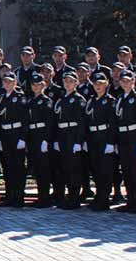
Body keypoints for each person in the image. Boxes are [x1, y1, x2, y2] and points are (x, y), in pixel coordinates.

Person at [114, 70, 136, 213]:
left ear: (133, 81)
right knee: (126, 170)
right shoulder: (121, 98)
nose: (125, 83)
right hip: (123, 138)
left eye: (128, 80)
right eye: (123, 81)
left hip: (134, 137)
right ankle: (130, 200)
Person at [54, 72, 87, 210]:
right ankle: (69, 196)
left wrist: (78, 142)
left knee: (74, 169)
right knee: (65, 168)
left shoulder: (79, 99)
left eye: (71, 81)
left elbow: (81, 122)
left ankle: (74, 198)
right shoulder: (61, 99)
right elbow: (56, 121)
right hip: (63, 136)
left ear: (76, 83)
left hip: (73, 135)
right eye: (66, 81)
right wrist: (56, 139)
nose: (68, 84)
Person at [84, 72, 117, 211]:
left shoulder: (110, 101)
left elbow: (113, 123)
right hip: (93, 137)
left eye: (100, 83)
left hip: (104, 136)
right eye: (95, 83)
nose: (98, 86)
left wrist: (111, 142)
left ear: (106, 84)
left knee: (105, 169)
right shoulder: (91, 100)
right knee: (95, 168)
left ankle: (104, 198)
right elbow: (86, 120)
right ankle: (99, 195)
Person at [0, 73, 29, 208]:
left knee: (18, 167)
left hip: (17, 133)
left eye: (10, 82)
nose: (7, 84)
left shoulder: (20, 98)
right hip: (5, 134)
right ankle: (10, 195)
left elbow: (25, 119)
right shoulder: (2, 98)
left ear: (15, 82)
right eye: (5, 82)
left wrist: (23, 138)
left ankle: (19, 196)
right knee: (8, 167)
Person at [26, 73, 55, 208]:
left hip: (42, 135)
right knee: (37, 169)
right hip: (33, 136)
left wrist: (46, 140)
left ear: (43, 85)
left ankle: (45, 197)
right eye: (34, 85)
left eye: (39, 84)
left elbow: (49, 122)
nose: (36, 87)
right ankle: (40, 195)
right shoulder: (31, 101)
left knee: (44, 169)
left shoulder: (46, 101)